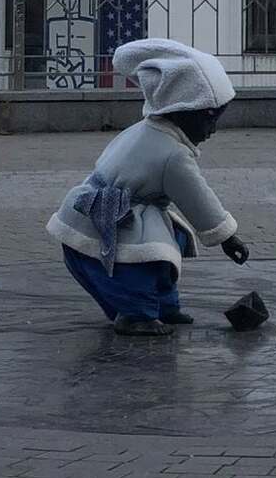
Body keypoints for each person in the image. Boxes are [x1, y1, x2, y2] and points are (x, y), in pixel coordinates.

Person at [47, 37, 251, 336]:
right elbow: (198, 199)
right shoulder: (172, 154)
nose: (213, 130)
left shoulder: (143, 129)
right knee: (143, 263)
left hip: (85, 216)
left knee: (169, 243)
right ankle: (137, 314)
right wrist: (227, 237)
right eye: (209, 119)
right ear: (184, 109)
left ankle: (163, 307)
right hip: (112, 223)